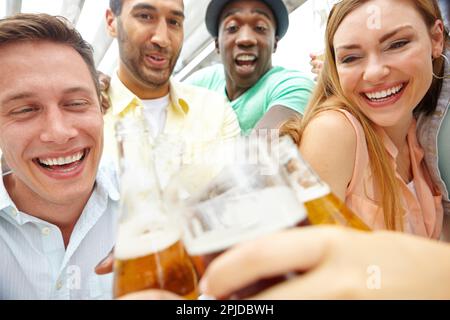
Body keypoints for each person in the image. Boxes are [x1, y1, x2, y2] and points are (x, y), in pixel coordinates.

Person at [281, 0, 446, 238]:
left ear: (436, 39)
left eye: (397, 44)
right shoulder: (334, 131)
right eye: (350, 58)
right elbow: (310, 261)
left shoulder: (420, 133)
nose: (374, 72)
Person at [0, 13, 119, 299]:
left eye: (76, 103)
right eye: (25, 109)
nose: (59, 132)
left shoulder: (159, 205)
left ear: (101, 108)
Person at [103, 0, 241, 173]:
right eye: (145, 16)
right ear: (111, 22)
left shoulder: (215, 111)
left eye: (174, 22)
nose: (162, 39)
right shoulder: (89, 116)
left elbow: (236, 193)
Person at [184, 0, 315, 135]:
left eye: (260, 27)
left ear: (275, 43)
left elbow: (259, 152)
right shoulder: (201, 83)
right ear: (217, 44)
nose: (245, 39)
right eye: (232, 27)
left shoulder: (293, 86)